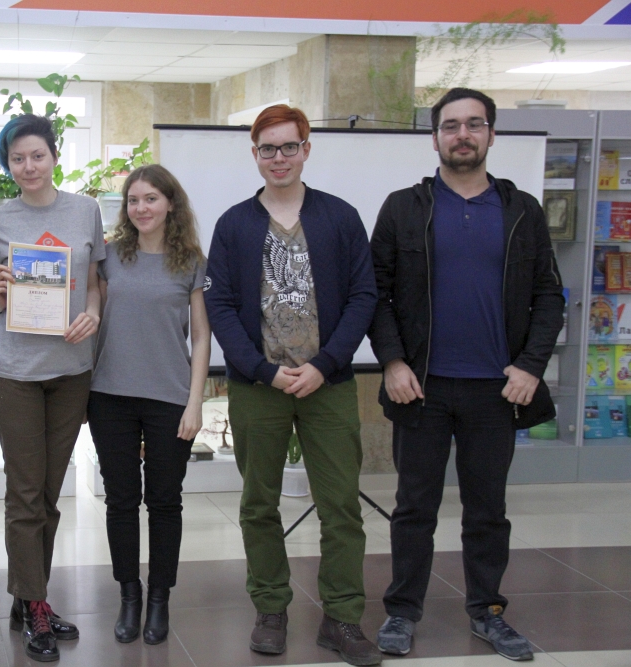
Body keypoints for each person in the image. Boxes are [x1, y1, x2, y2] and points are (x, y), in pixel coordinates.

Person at [368, 88, 565, 662]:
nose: (462, 135)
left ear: (491, 135)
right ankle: (402, 612)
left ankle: (488, 612)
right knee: (414, 509)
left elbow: (550, 297)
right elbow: (375, 294)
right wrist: (393, 362)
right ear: (435, 138)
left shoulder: (522, 209)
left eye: (474, 124)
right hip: (420, 387)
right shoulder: (403, 208)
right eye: (451, 125)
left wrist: (530, 367)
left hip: (496, 390)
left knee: (487, 512)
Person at [204, 104, 381, 665]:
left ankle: (342, 617)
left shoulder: (340, 217)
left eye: (288, 146)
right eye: (267, 148)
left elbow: (364, 296)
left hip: (327, 384)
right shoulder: (234, 224)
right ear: (254, 154)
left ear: (306, 149)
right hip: (259, 387)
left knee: (341, 506)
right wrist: (262, 369)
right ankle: (271, 609)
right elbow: (220, 304)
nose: (278, 157)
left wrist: (325, 364)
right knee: (259, 503)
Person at [0, 113, 104, 663]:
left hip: (71, 371)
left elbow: (94, 282)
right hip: (17, 374)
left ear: (54, 156)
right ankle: (35, 603)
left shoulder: (85, 210)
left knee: (49, 494)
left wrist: (93, 313)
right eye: (17, 159)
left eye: (37, 155)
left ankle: (28, 597)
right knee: (26, 493)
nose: (28, 166)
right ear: (8, 164)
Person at [86, 164, 211, 645]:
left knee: (164, 501)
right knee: (120, 501)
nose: (141, 208)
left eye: (151, 199)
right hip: (110, 397)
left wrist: (195, 403)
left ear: (170, 204)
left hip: (170, 399)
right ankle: (129, 595)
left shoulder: (191, 261)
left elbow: (201, 337)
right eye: (133, 200)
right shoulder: (110, 257)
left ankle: (160, 598)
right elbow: (93, 316)